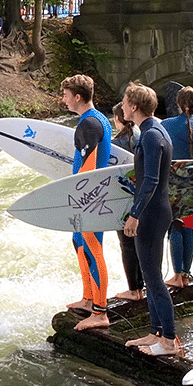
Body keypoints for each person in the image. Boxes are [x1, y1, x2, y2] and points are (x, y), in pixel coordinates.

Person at [120, 82, 180, 356]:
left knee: (154, 278)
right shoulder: (154, 130)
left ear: (134, 106)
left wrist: (135, 215)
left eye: (124, 102)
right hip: (155, 210)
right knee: (148, 273)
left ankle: (168, 340)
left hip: (153, 213)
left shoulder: (152, 136)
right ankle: (155, 331)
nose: (121, 106)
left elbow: (152, 180)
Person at [58, 75, 115, 330]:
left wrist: (75, 197)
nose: (63, 100)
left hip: (90, 198)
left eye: (66, 95)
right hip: (90, 196)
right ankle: (88, 298)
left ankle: (100, 311)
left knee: (93, 249)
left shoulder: (89, 124)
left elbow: (89, 168)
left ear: (77, 97)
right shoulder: (98, 118)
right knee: (79, 242)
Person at [161, 86, 193, 289]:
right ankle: (187, 275)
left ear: (180, 104)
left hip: (172, 183)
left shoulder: (166, 124)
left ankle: (176, 276)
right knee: (189, 227)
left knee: (175, 227)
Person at [111, 101, 145, 302]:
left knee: (127, 244)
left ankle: (134, 290)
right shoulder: (142, 136)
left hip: (123, 199)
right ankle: (142, 287)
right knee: (140, 242)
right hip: (142, 197)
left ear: (117, 119)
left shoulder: (115, 145)